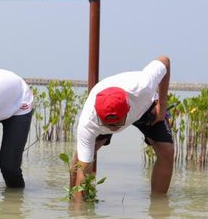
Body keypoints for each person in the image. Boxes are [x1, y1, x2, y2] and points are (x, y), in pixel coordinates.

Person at [71, 56, 173, 199]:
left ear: (128, 110)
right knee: (80, 163)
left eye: (117, 124)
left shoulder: (143, 86)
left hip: (145, 107)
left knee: (167, 151)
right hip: (104, 114)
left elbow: (165, 61)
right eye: (108, 125)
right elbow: (83, 170)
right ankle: (73, 201)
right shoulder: (88, 122)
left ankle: (158, 203)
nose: (114, 128)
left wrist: (161, 107)